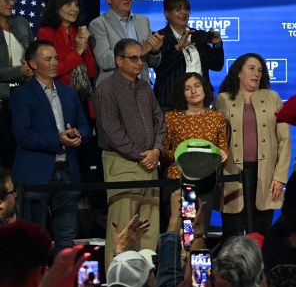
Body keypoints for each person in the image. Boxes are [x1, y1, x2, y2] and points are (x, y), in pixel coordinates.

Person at [9, 41, 91, 251]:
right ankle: (35, 283)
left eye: (56, 58)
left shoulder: (68, 92)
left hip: (67, 172)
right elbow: (23, 135)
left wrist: (78, 135)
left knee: (66, 239)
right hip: (35, 175)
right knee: (32, 240)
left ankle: (61, 283)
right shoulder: (22, 95)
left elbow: (84, 126)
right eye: (48, 59)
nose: (55, 63)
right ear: (32, 64)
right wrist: (58, 140)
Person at [93, 38, 165, 263]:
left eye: (141, 58)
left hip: (150, 164)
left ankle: (146, 286)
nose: (139, 63)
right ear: (118, 60)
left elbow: (159, 121)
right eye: (133, 58)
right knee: (122, 230)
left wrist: (156, 150)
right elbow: (111, 131)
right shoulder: (106, 89)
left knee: (149, 229)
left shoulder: (145, 86)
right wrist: (140, 155)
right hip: (123, 164)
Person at [216, 53, 291, 235]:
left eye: (259, 70)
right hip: (233, 173)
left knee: (261, 233)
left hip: (265, 174)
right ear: (238, 73)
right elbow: (215, 136)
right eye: (251, 68)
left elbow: (285, 140)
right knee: (232, 234)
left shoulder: (273, 98)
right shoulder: (223, 100)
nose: (256, 73)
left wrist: (280, 178)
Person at [162, 72, 229, 241]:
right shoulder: (172, 118)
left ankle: (199, 269)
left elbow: (223, 150)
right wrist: (183, 154)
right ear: (181, 93)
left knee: (199, 235)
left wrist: (221, 154)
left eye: (197, 86)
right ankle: (177, 267)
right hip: (180, 183)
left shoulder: (217, 118)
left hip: (206, 183)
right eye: (187, 88)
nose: (193, 91)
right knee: (185, 236)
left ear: (205, 89)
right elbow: (163, 152)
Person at [152, 0, 225, 112]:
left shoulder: (198, 35)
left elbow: (216, 65)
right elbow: (160, 69)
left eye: (186, 9)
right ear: (166, 13)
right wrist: (178, 48)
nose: (183, 13)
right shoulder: (160, 37)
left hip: (200, 102)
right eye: (178, 9)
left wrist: (217, 44)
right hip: (170, 103)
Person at [88, 0, 164, 86]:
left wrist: (154, 51)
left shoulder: (143, 21)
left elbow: (153, 63)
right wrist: (141, 51)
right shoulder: (98, 24)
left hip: (141, 87)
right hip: (114, 89)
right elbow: (105, 60)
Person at [36, 0, 97, 110]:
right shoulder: (46, 33)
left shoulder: (78, 32)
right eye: (69, 4)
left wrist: (85, 46)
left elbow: (91, 71)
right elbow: (52, 69)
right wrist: (78, 52)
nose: (74, 9)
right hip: (60, 96)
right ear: (57, 7)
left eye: (76, 5)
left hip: (84, 97)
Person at [0, 0, 33, 168]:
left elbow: (32, 54)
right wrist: (19, 72)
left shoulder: (21, 23)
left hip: (23, 98)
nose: (11, 3)